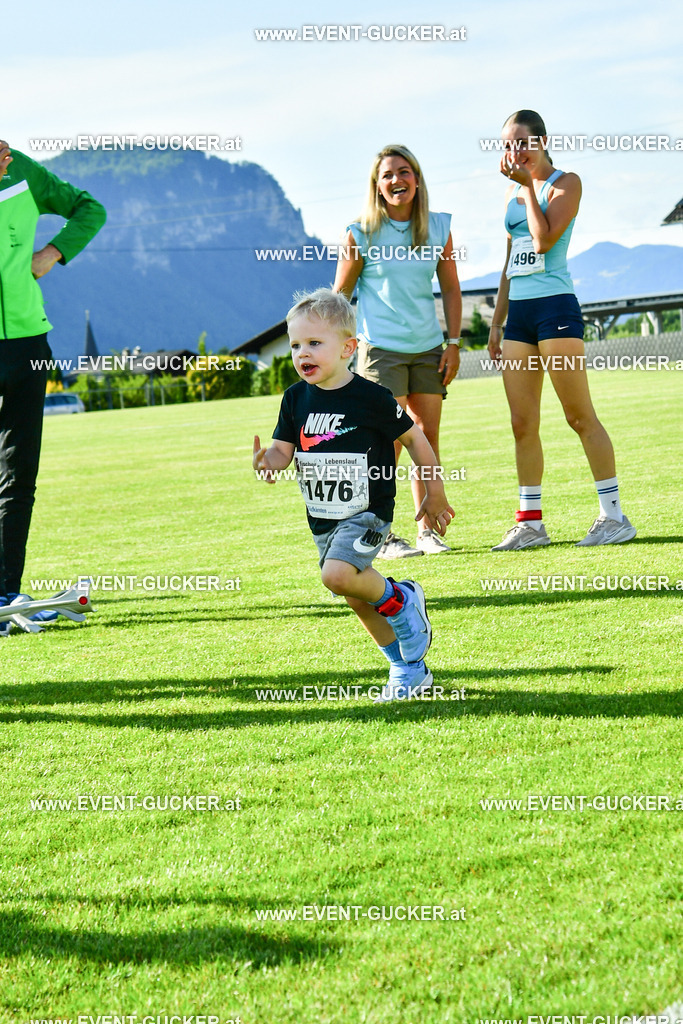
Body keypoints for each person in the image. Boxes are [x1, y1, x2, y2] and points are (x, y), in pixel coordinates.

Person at [253, 288, 455, 702]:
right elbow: (282, 451)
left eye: (314, 343)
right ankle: (408, 669)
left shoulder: (372, 398)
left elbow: (415, 439)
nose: (302, 353)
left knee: (337, 576)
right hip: (323, 519)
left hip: (367, 514)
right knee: (354, 595)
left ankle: (402, 599)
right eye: (295, 345)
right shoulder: (294, 399)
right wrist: (267, 462)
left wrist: (434, 490)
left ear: (348, 348)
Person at [487, 111, 636, 550]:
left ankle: (614, 517)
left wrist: (527, 186)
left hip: (556, 310)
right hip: (519, 317)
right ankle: (530, 523)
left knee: (578, 416)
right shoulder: (513, 193)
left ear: (542, 141)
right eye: (507, 145)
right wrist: (497, 321)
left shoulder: (566, 183)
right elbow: (511, 261)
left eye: (522, 142)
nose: (514, 151)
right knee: (521, 422)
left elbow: (544, 240)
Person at [333, 144, 462, 558]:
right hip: (380, 351)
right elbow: (340, 297)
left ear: (417, 180)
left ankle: (428, 532)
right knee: (386, 442)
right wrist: (335, 353)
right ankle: (382, 535)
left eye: (404, 172)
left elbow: (451, 289)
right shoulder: (360, 233)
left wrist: (454, 343)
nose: (396, 180)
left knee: (427, 437)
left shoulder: (438, 227)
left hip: (429, 349)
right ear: (377, 185)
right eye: (387, 174)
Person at [0, 141, 106, 634]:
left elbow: (90, 209)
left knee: (18, 473)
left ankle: (6, 592)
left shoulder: (20, 168)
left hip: (28, 342)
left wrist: (53, 252)